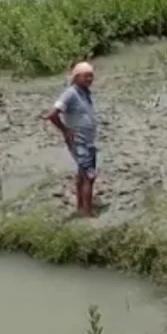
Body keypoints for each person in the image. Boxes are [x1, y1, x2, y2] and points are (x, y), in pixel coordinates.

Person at [43, 62, 99, 218]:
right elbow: (51, 114)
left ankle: (81, 207)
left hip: (87, 140)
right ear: (76, 77)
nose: (90, 79)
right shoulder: (70, 93)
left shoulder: (84, 92)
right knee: (90, 175)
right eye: (86, 76)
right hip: (79, 141)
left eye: (91, 76)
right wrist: (65, 130)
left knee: (82, 173)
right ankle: (88, 213)